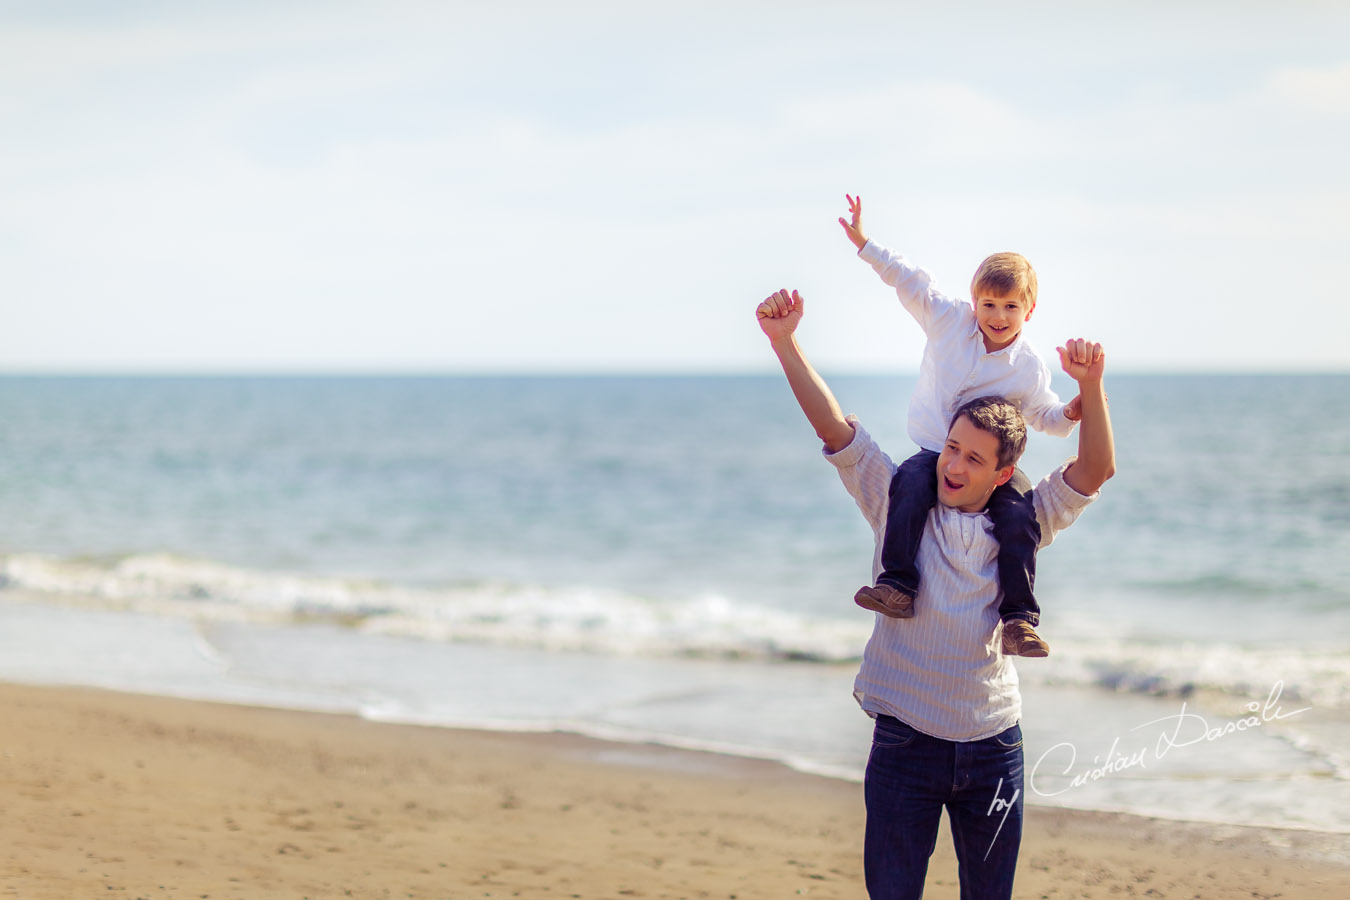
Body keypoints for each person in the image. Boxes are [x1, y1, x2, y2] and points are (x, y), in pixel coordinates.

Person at [756, 287, 1114, 900]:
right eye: (951, 447)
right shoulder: (897, 498)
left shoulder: (1023, 520)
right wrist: (785, 342)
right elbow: (835, 429)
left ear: (1003, 474)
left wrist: (1094, 386)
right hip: (906, 744)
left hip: (995, 747)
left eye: (973, 458)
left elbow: (1094, 471)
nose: (953, 464)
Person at [839, 195, 1081, 656]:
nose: (997, 316)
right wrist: (865, 243)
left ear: (1028, 311)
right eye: (989, 304)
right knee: (907, 488)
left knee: (1019, 517)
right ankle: (897, 586)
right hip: (935, 449)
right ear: (974, 302)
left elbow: (1043, 415)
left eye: (1010, 307)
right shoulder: (948, 320)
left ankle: (1018, 622)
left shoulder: (1028, 366)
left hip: (994, 468)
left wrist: (1070, 413)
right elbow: (909, 281)